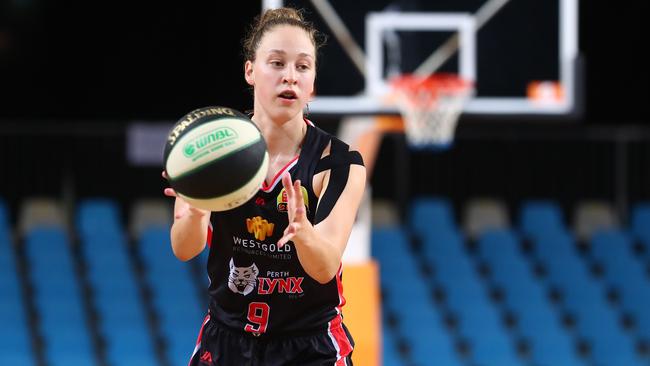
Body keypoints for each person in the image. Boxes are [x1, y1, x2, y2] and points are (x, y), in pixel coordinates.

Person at [163, 7, 366, 365]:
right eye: (277, 63)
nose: (290, 76)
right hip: (228, 338)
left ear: (313, 84)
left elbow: (324, 267)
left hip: (310, 345)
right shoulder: (212, 149)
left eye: (302, 67)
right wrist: (194, 212)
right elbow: (184, 248)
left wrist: (303, 234)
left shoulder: (338, 162)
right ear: (250, 71)